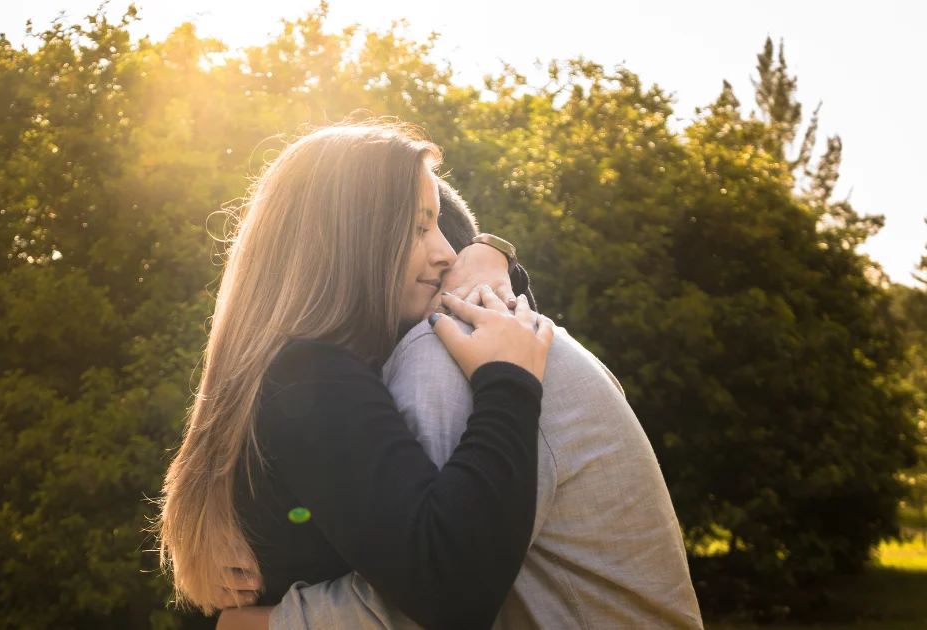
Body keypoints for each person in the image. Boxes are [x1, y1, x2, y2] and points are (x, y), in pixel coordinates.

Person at [217, 183, 704, 629]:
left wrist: (249, 624)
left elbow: (435, 593)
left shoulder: (443, 352)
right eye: (417, 229)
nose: (447, 256)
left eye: (438, 231)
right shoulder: (463, 345)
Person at [156, 121, 555, 630]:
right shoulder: (311, 378)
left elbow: (479, 273)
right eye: (417, 227)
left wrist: (489, 253)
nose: (445, 253)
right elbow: (456, 588)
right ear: (348, 238)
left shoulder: (293, 371)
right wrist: (508, 384)